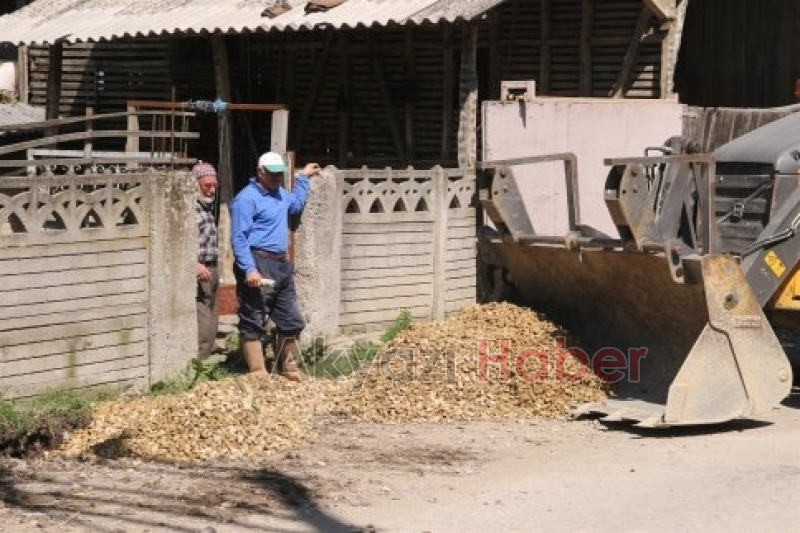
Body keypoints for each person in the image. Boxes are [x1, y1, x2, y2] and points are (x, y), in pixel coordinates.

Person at [230, 152, 322, 380]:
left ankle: (290, 369)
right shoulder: (246, 199)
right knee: (254, 317)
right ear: (260, 172)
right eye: (271, 174)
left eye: (279, 174)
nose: (276, 178)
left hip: (281, 264)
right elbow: (239, 239)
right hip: (258, 260)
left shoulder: (281, 194)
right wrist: (249, 269)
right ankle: (257, 371)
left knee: (290, 319)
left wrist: (302, 178)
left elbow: (296, 205)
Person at [193, 161, 220, 358]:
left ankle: (208, 356)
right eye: (206, 186)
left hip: (213, 268)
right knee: (203, 318)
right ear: (196, 185)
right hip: (201, 269)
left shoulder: (207, 208)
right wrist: (194, 265)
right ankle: (200, 361)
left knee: (213, 315)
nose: (211, 190)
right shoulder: (192, 209)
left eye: (214, 186)